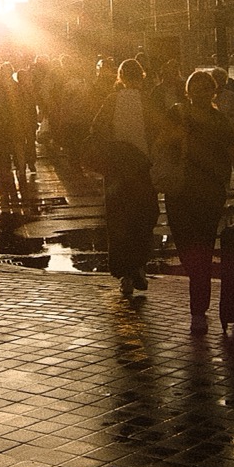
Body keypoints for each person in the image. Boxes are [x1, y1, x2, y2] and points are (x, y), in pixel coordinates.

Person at [159, 69, 234, 333]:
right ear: (188, 91)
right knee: (187, 249)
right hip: (179, 191)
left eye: (206, 88)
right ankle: (198, 291)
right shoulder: (176, 114)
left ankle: (198, 308)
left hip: (209, 195)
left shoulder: (219, 121)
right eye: (196, 88)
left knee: (201, 250)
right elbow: (162, 146)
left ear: (214, 92)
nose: (201, 93)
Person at [91, 59, 162, 297]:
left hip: (116, 168)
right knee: (144, 217)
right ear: (141, 76)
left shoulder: (111, 101)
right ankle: (139, 265)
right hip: (142, 168)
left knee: (119, 220)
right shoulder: (148, 100)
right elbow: (158, 131)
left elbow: (96, 130)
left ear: (120, 77)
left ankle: (124, 273)